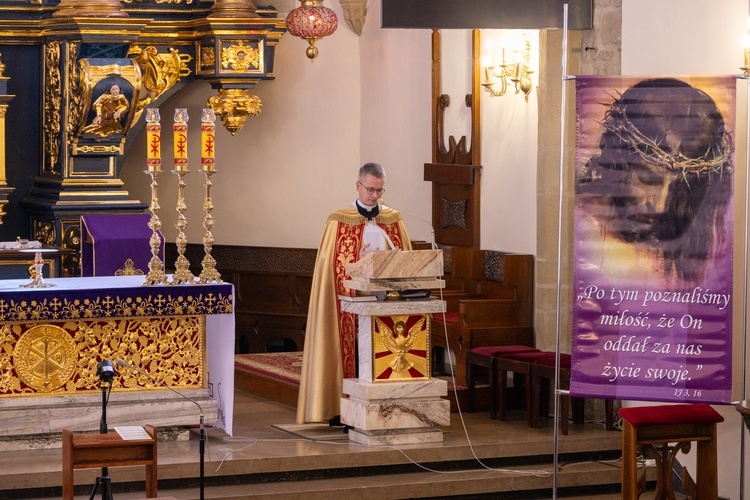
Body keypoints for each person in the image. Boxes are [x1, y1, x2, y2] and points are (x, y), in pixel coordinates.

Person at [576, 77, 733, 284]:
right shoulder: (584, 221)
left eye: (679, 186)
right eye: (648, 179)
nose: (660, 206)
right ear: (619, 162)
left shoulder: (699, 237)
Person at [296, 162, 411, 425]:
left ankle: (384, 408)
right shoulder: (339, 220)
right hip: (349, 303)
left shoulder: (393, 219)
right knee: (351, 351)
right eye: (370, 189)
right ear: (358, 186)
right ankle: (342, 408)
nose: (374, 196)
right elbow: (333, 266)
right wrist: (357, 263)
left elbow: (405, 260)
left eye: (380, 191)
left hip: (383, 301)